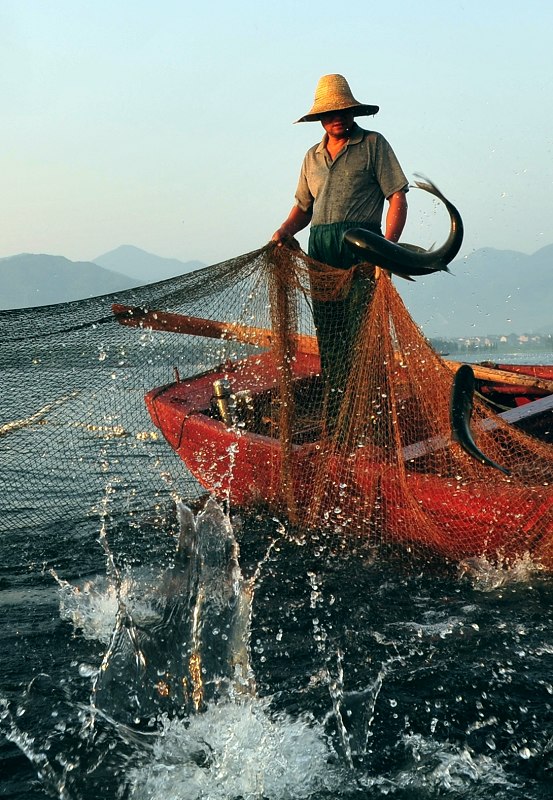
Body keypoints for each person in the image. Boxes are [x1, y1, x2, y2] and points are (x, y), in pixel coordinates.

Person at [272, 73, 409, 427]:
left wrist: (389, 250)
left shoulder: (373, 144)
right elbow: (304, 209)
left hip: (363, 248)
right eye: (330, 113)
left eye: (344, 111)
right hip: (321, 254)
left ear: (353, 112)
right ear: (319, 118)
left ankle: (369, 421)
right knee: (330, 339)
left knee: (362, 339)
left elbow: (397, 196)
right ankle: (339, 421)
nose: (338, 118)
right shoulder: (311, 157)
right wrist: (285, 231)